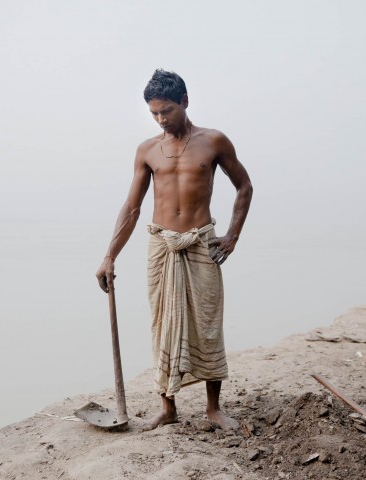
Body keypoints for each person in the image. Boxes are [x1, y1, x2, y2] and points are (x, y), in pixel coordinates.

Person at [95, 69, 253, 431]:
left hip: (201, 243)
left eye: (167, 110)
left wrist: (232, 236)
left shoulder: (214, 141)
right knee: (162, 323)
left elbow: (244, 186)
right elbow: (132, 207)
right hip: (161, 245)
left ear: (184, 101)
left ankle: (213, 410)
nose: (161, 119)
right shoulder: (148, 149)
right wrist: (109, 256)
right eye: (154, 113)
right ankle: (168, 407)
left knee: (208, 324)